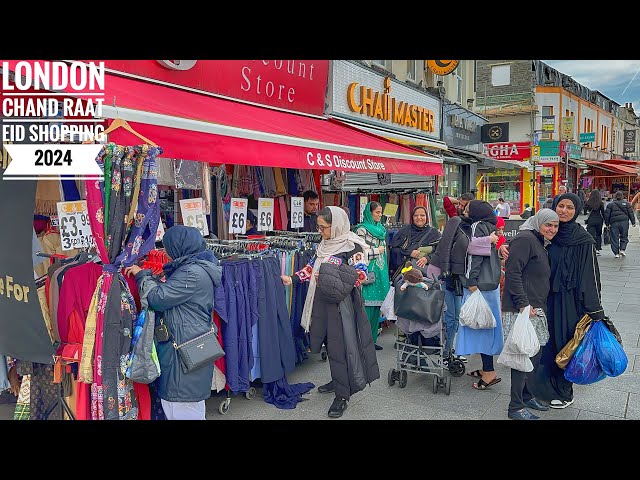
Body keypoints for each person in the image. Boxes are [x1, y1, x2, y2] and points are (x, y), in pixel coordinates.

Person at [280, 206, 379, 418]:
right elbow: (311, 266)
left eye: (324, 228)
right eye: (319, 227)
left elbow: (361, 273)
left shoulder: (351, 246)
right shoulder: (324, 244)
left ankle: (342, 396)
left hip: (341, 306)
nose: (320, 231)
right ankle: (337, 379)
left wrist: (342, 275)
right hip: (321, 302)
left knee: (339, 348)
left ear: (336, 226)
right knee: (328, 343)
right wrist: (293, 278)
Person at [125, 225, 222, 420]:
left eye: (167, 247)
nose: (165, 252)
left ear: (179, 247)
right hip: (188, 347)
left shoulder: (191, 273)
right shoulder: (193, 268)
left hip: (183, 353)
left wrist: (141, 274)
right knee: (184, 407)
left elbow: (157, 298)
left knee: (182, 407)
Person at [529, 192, 606, 409]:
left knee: (566, 345)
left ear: (577, 210)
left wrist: (595, 310)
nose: (564, 210)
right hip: (545, 299)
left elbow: (591, 277)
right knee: (547, 344)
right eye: (560, 206)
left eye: (569, 207)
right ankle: (543, 388)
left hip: (571, 302)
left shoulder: (583, 240)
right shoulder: (548, 232)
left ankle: (564, 392)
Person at [501, 208, 559, 420]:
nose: (552, 229)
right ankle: (515, 407)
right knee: (521, 357)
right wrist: (523, 304)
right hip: (522, 309)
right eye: (548, 225)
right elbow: (513, 272)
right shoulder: (525, 239)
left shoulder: (538, 240)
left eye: (555, 226)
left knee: (534, 354)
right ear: (538, 223)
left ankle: (526, 396)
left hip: (534, 308)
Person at [455, 200, 504, 390]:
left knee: (480, 326)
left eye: (468, 209)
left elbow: (474, 255)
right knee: (486, 325)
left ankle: (489, 372)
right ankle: (486, 368)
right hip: (490, 283)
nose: (465, 211)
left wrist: (471, 281)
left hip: (479, 284)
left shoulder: (477, 226)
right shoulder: (492, 226)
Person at [354, 201, 390, 351]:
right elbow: (359, 252)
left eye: (381, 213)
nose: (379, 215)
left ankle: (372, 340)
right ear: (369, 213)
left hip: (380, 272)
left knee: (376, 308)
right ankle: (362, 342)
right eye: (377, 212)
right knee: (366, 309)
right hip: (368, 271)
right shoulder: (361, 230)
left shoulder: (381, 229)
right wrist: (378, 251)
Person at [388, 206, 442, 278]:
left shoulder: (434, 233)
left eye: (422, 215)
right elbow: (393, 250)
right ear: (412, 217)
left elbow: (441, 251)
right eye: (416, 215)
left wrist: (428, 258)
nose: (419, 218)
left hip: (427, 274)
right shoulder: (404, 231)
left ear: (427, 217)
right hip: (405, 274)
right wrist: (409, 253)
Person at [604, 190, 636, 258]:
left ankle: (616, 253)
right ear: (622, 196)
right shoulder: (626, 204)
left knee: (614, 237)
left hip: (614, 223)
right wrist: (633, 222)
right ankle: (622, 249)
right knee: (624, 236)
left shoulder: (610, 204)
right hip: (624, 222)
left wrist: (607, 224)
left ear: (615, 196)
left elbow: (607, 215)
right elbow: (631, 213)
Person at [584, 189, 605, 255]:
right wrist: (606, 222)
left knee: (591, 235)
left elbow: (585, 212)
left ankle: (592, 247)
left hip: (591, 220)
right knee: (598, 234)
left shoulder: (588, 202)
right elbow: (603, 213)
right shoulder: (601, 203)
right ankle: (598, 248)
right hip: (599, 220)